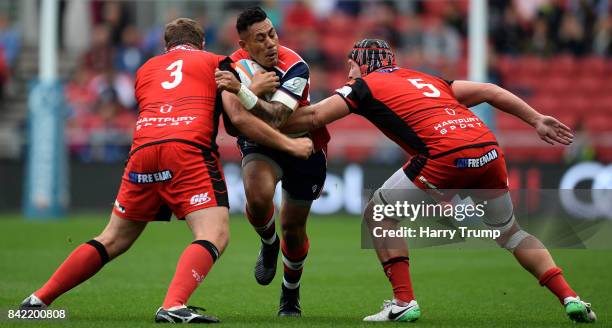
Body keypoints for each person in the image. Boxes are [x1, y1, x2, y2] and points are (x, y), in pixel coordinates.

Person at [217, 38, 596, 323]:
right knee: (510, 231)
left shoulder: (363, 86)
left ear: (359, 65)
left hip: (445, 154)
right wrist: (535, 119)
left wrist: (256, 107)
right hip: (487, 148)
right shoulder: (428, 78)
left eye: (351, 66)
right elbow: (492, 91)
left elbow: (312, 118)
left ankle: (403, 302)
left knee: (378, 214)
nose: (348, 73)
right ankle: (570, 297)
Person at [20, 18, 313, 324]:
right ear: (201, 44)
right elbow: (236, 117)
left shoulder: (145, 70)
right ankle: (173, 305)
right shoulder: (216, 62)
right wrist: (282, 135)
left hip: (142, 150)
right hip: (187, 149)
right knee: (214, 233)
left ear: (166, 47)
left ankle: (39, 298)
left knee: (112, 238)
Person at [219, 7, 330, 317]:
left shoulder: (296, 65)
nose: (270, 43)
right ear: (244, 45)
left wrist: (245, 93)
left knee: (293, 228)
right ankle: (268, 243)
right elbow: (232, 123)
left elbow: (278, 117)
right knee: (257, 196)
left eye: (273, 34)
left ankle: (290, 293)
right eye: (260, 38)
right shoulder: (231, 65)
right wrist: (247, 94)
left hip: (304, 145)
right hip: (261, 144)